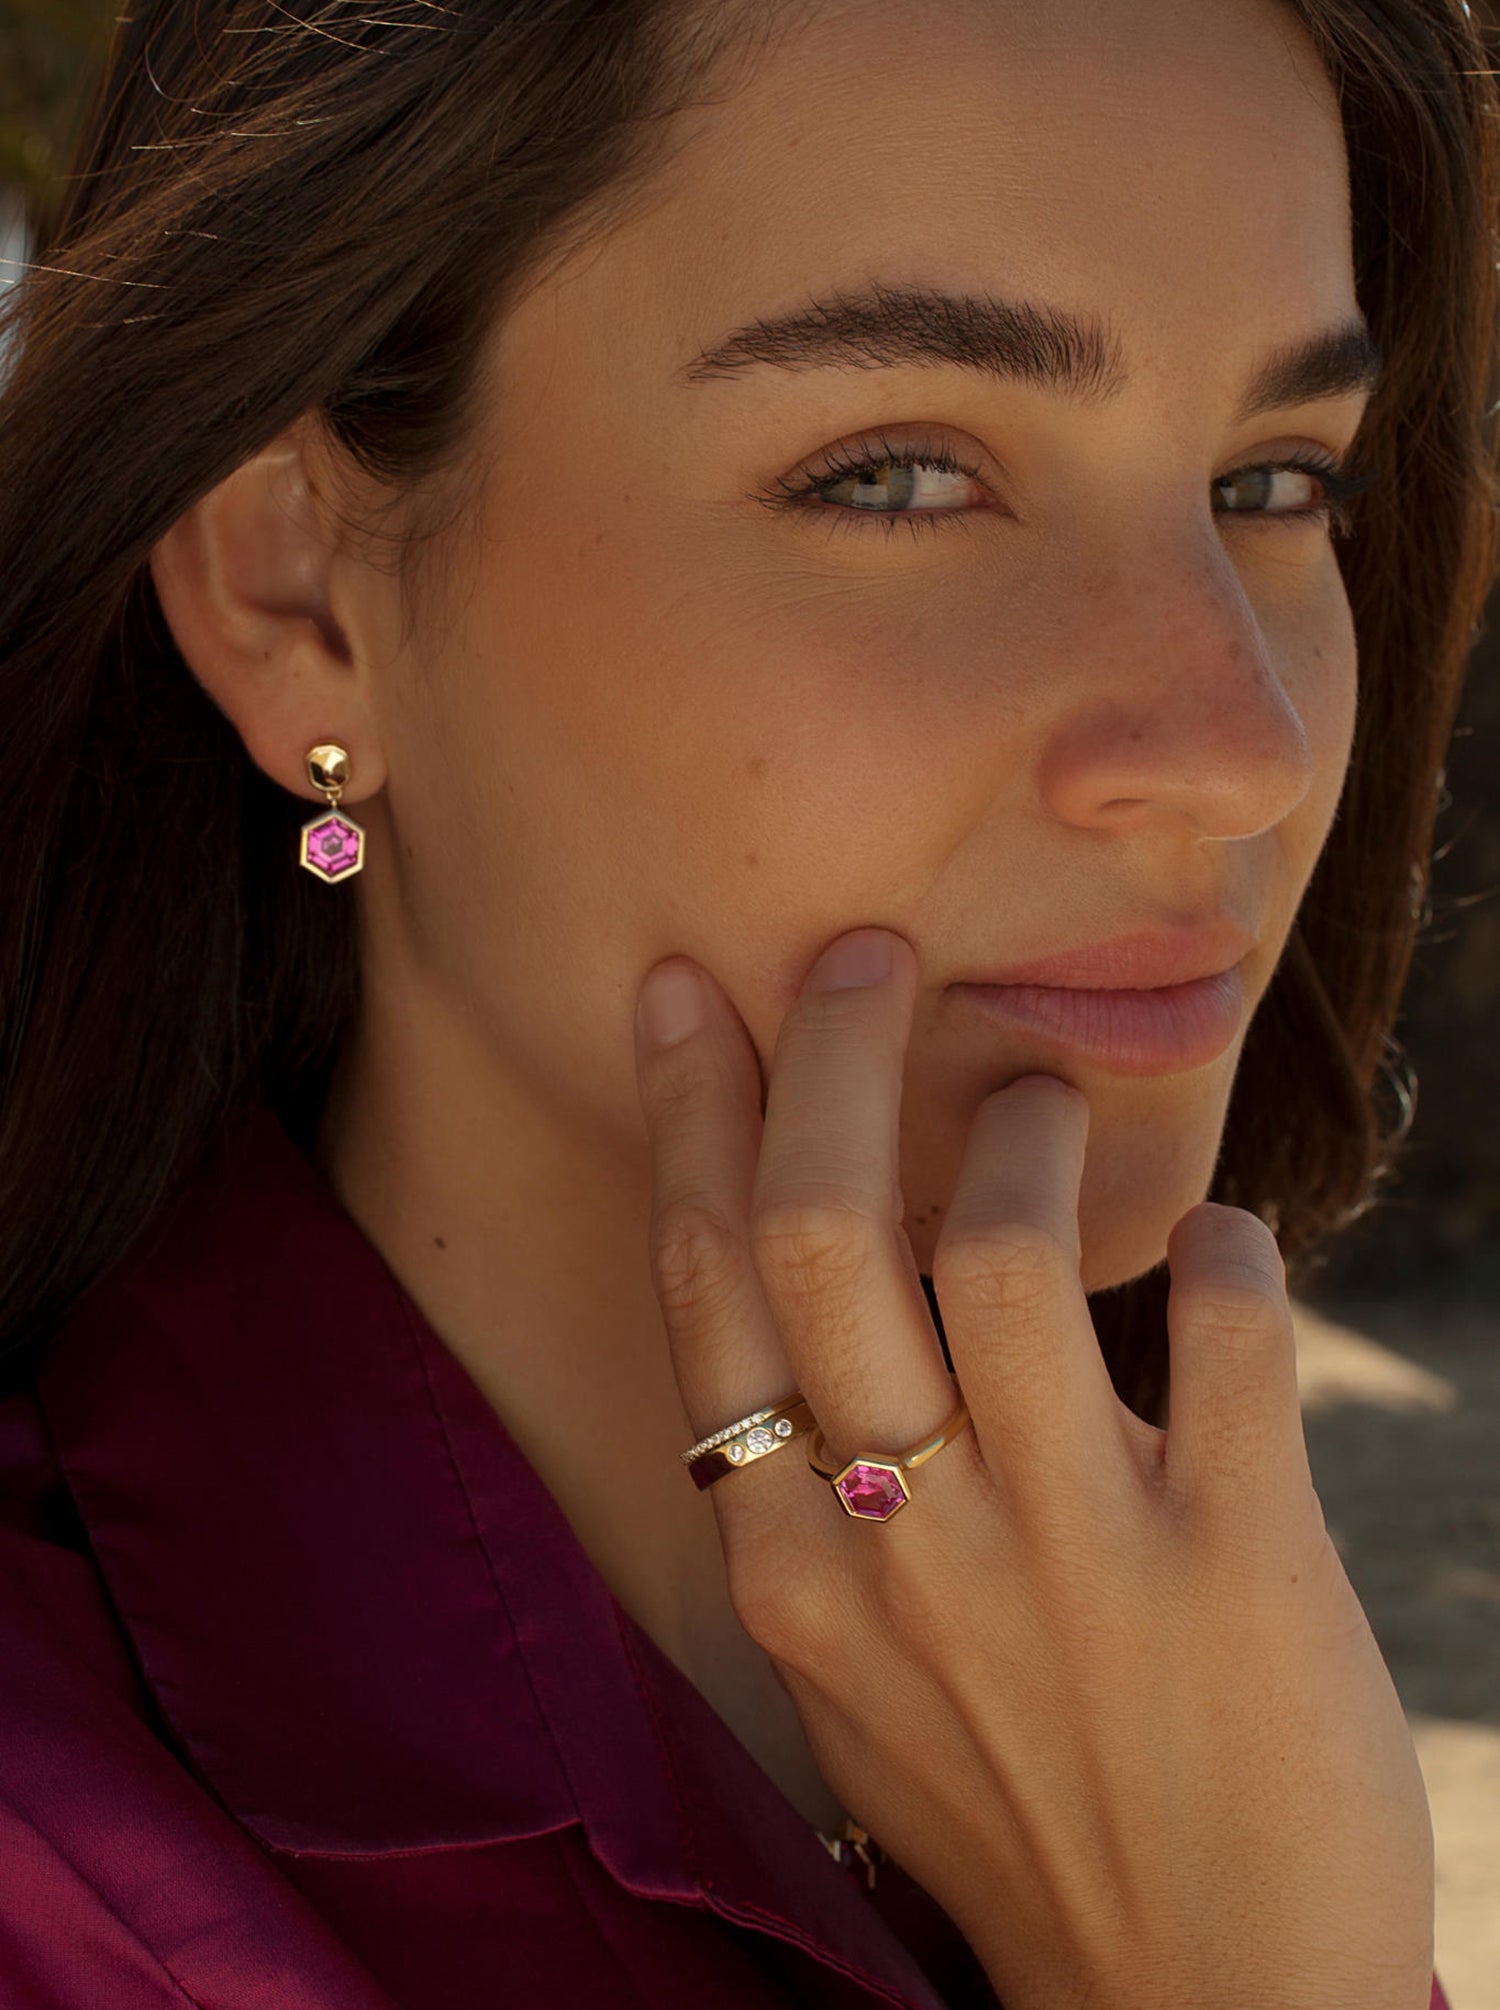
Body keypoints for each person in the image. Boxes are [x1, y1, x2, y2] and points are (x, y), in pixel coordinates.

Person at [0, 0, 1492, 2002]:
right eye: (895, 477)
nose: (1240, 744)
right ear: (302, 597)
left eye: (1275, 479)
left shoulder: (1196, 1691)